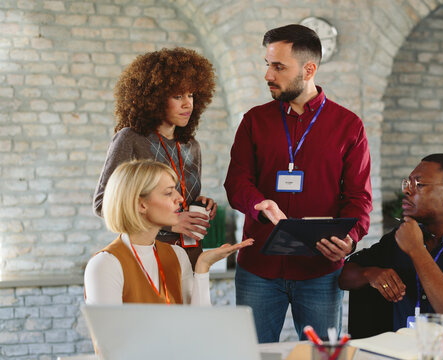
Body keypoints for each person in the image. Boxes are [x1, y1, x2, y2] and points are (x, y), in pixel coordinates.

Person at [224, 24, 372, 342]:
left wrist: (350, 238)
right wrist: (257, 203)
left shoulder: (349, 125)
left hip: (320, 271)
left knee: (321, 355)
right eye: (267, 64)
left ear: (308, 69)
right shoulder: (254, 121)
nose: (268, 75)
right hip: (257, 269)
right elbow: (236, 182)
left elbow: (359, 196)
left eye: (279, 67)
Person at [339, 153, 443, 332]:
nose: (407, 191)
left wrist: (416, 250)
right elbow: (344, 276)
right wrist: (370, 273)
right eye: (408, 183)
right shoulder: (400, 236)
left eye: (419, 185)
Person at [93, 47, 217, 268]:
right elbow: (104, 204)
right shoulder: (130, 139)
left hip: (190, 255)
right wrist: (170, 224)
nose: (188, 103)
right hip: (147, 255)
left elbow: (174, 200)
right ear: (154, 98)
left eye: (191, 95)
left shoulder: (192, 146)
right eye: (178, 96)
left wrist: (199, 205)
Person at [85, 160, 253, 305]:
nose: (180, 198)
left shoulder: (177, 255)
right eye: (168, 192)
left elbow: (199, 326)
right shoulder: (105, 265)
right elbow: (111, 341)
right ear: (141, 205)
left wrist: (203, 266)